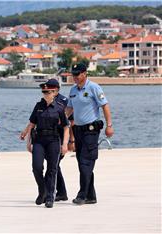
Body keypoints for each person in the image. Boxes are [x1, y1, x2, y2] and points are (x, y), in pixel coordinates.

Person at [65, 62, 114, 205]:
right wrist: (59, 120)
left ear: (85, 73)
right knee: (81, 161)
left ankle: (82, 194)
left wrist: (109, 125)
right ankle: (91, 196)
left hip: (91, 130)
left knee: (86, 162)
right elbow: (69, 109)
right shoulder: (73, 90)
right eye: (73, 74)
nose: (74, 77)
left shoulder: (94, 87)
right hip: (78, 130)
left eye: (77, 74)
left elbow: (105, 105)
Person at [21, 82, 69, 208]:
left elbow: (65, 127)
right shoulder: (38, 106)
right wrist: (28, 141)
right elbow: (32, 124)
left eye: (48, 92)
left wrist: (65, 144)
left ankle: (49, 197)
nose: (45, 94)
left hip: (53, 140)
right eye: (44, 92)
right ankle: (42, 190)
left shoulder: (59, 107)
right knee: (36, 167)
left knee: (52, 169)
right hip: (39, 140)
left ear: (54, 93)